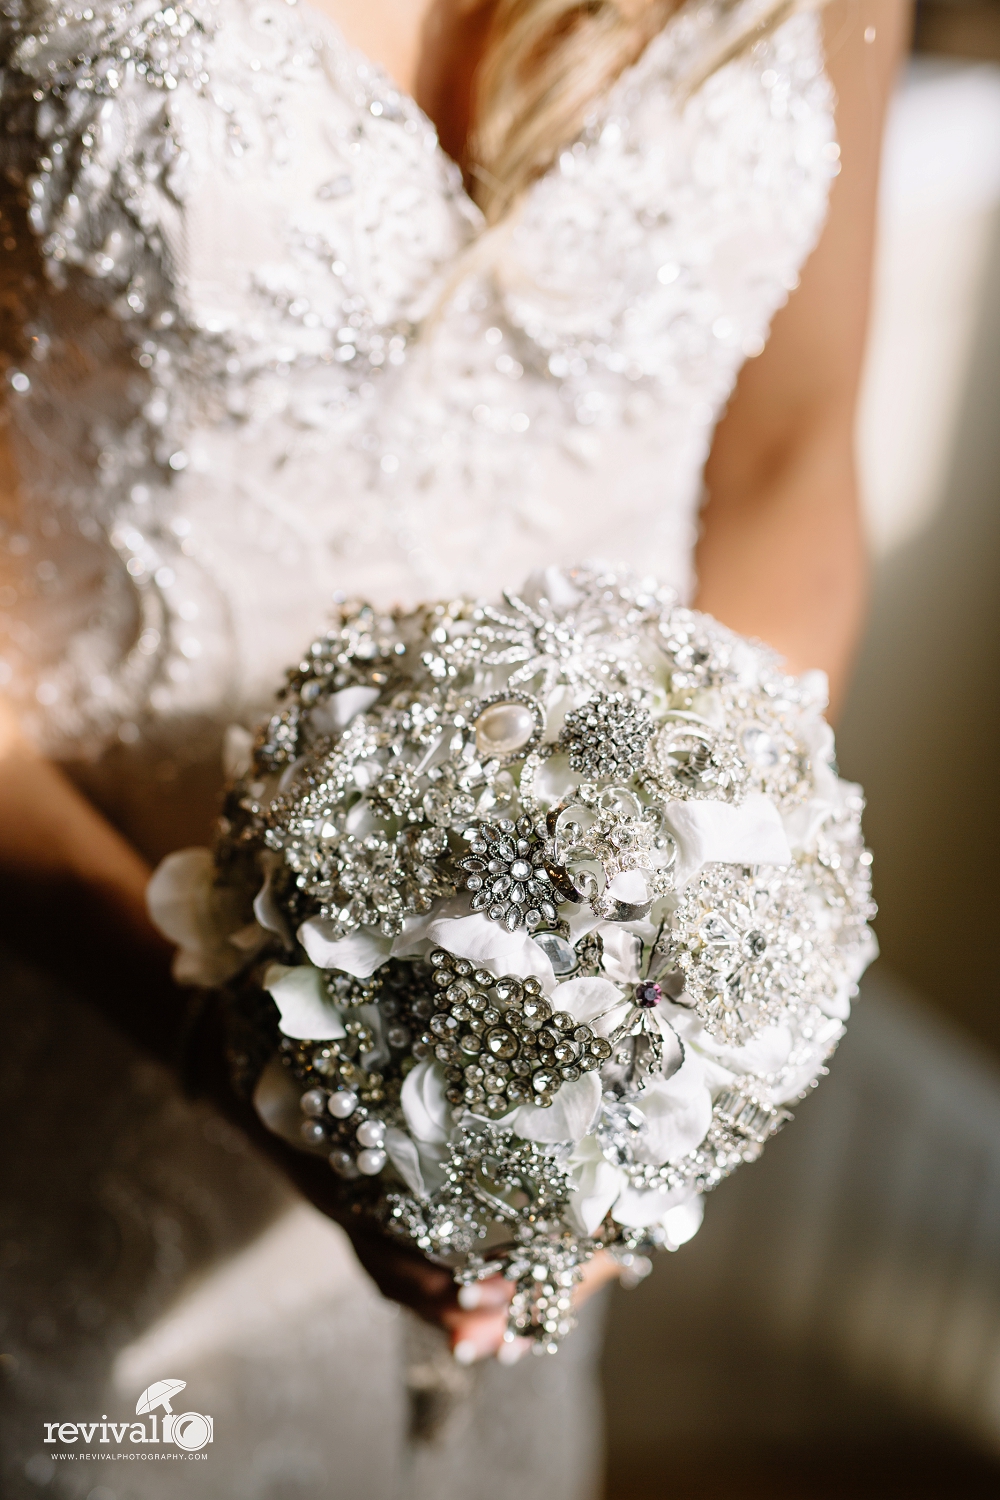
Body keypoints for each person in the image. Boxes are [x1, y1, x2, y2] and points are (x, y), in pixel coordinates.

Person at [0, 0, 907, 1494]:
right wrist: (238, 1045)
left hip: (534, 1143)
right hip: (65, 1034)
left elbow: (789, 459)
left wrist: (661, 1033)